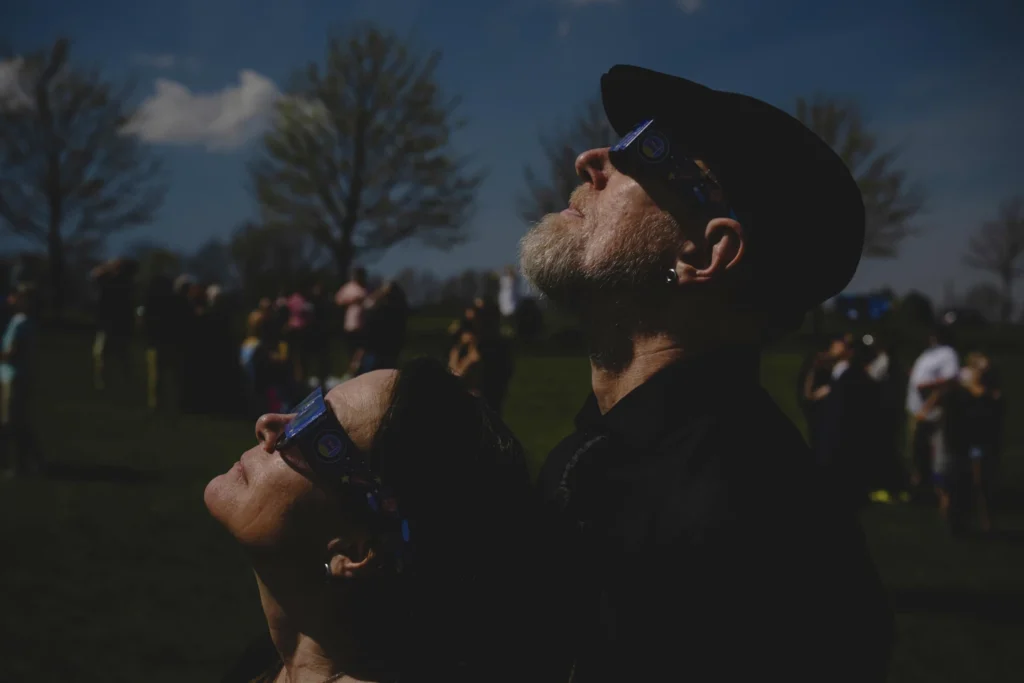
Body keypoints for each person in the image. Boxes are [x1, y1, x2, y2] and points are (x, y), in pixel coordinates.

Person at [519, 65, 892, 682]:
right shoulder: (598, 456)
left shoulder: (753, 535)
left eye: (645, 151)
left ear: (705, 252)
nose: (592, 160)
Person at [207, 358, 546, 683]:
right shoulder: (262, 663)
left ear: (358, 552)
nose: (268, 422)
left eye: (311, 428)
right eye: (306, 405)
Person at [906, 325, 959, 512]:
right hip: (918, 412)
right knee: (918, 454)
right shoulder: (928, 353)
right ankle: (922, 494)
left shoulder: (948, 354)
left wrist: (925, 384)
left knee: (939, 457)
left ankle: (943, 498)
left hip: (934, 414)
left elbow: (951, 379)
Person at [0, 285, 42, 477]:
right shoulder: (17, 320)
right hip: (9, 375)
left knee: (12, 422)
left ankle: (21, 464)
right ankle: (30, 461)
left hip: (16, 377)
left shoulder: (23, 323)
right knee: (14, 421)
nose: (12, 298)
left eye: (17, 296)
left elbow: (13, 352)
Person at [358, 282, 409, 375]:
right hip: (390, 351)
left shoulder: (378, 311)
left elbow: (369, 333)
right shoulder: (399, 312)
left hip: (375, 351)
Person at [335, 268, 369, 377]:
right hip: (350, 324)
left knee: (361, 350)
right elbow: (338, 300)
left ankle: (355, 369)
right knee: (351, 350)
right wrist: (353, 300)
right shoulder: (349, 287)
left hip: (362, 324)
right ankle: (351, 372)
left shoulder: (365, 288)